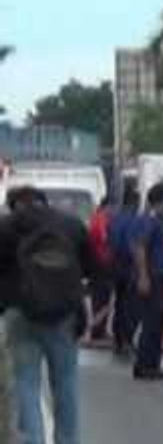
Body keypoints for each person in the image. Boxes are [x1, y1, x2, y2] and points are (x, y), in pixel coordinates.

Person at [0, 186, 97, 444]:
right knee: (66, 383)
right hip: (64, 316)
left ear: (13, 205)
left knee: (26, 384)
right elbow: (92, 268)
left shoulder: (6, 227)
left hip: (20, 315)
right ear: (43, 202)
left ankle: (33, 440)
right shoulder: (71, 224)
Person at [130, 183, 163, 381]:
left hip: (160, 275)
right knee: (151, 322)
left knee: (158, 321)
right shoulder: (150, 220)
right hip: (152, 276)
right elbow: (140, 247)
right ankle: (144, 365)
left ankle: (152, 364)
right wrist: (143, 276)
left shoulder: (160, 220)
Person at [107, 184, 139, 357]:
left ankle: (118, 339)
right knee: (131, 305)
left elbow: (111, 241)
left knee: (119, 303)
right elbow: (131, 246)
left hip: (115, 265)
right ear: (134, 203)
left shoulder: (114, 219)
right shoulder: (134, 220)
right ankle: (127, 340)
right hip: (130, 267)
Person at [87, 197, 113, 341]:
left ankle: (99, 329)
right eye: (112, 208)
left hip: (97, 263)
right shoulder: (101, 219)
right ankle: (97, 330)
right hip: (102, 263)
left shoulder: (95, 218)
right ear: (107, 206)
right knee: (102, 298)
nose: (114, 211)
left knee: (100, 298)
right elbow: (105, 238)